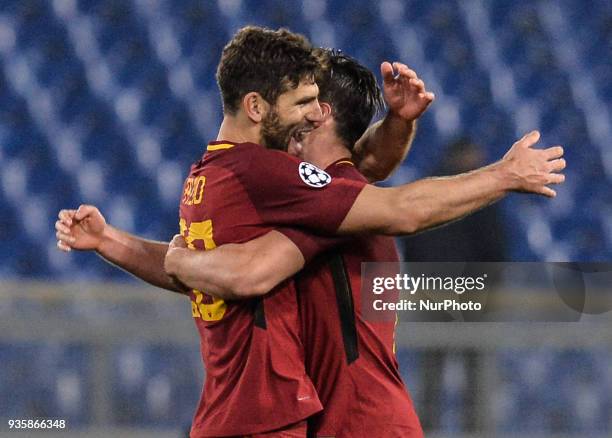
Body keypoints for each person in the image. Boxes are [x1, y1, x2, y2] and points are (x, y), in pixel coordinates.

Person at [57, 26, 565, 438]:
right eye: (300, 100)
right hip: (327, 420)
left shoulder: (275, 193)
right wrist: (116, 243)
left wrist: (503, 174)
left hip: (356, 424)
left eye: (313, 103)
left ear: (324, 119)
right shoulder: (301, 195)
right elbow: (359, 168)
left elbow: (254, 269)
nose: (306, 113)